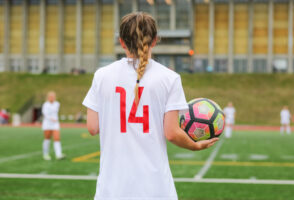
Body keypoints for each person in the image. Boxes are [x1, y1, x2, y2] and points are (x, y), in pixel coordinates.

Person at [82, 12, 218, 200]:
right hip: (156, 189)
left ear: (121, 42)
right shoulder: (169, 78)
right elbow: (171, 133)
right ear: (154, 41)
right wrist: (195, 145)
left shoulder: (102, 75)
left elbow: (92, 127)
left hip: (111, 190)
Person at [42, 91, 65, 160]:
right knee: (47, 139)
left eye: (53, 96)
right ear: (48, 97)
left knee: (57, 138)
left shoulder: (57, 104)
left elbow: (55, 112)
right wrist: (51, 119)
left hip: (55, 124)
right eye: (51, 97)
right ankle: (45, 154)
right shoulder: (45, 104)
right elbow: (45, 114)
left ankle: (58, 154)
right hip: (47, 123)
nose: (52, 98)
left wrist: (54, 120)